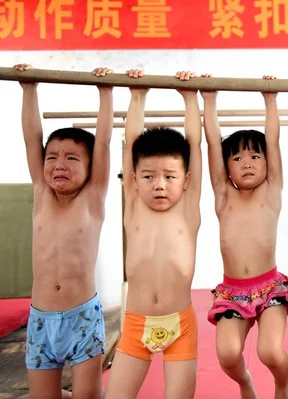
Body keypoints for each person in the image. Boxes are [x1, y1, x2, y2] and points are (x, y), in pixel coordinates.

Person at [15, 63, 114, 399]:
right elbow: (32, 139)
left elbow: (102, 143)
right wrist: (29, 89)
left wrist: (106, 91)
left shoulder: (93, 197)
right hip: (41, 320)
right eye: (52, 157)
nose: (59, 164)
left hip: (81, 316)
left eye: (73, 158)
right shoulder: (42, 195)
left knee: (88, 396)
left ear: (89, 170)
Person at [105, 69, 202, 399]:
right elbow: (131, 141)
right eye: (148, 176)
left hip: (181, 326)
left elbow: (194, 146)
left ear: (186, 179)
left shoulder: (187, 206)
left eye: (169, 176)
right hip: (135, 325)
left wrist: (191, 98)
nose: (159, 184)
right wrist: (137, 96)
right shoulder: (134, 204)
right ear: (133, 179)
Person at [201, 75, 288, 399]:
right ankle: (245, 383)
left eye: (255, 157)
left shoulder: (271, 192)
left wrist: (270, 99)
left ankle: (282, 382)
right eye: (237, 158)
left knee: (269, 352)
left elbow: (273, 139)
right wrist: (209, 100)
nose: (247, 163)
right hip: (233, 292)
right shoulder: (223, 196)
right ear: (226, 168)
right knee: (227, 354)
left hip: (270, 288)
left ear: (268, 164)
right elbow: (213, 143)